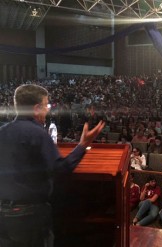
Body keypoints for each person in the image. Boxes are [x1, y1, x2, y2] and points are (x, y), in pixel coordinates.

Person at [0, 84, 105, 247]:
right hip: (30, 217)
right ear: (36, 109)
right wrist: (83, 145)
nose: (48, 110)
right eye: (46, 105)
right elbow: (60, 170)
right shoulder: (37, 133)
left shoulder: (3, 131)